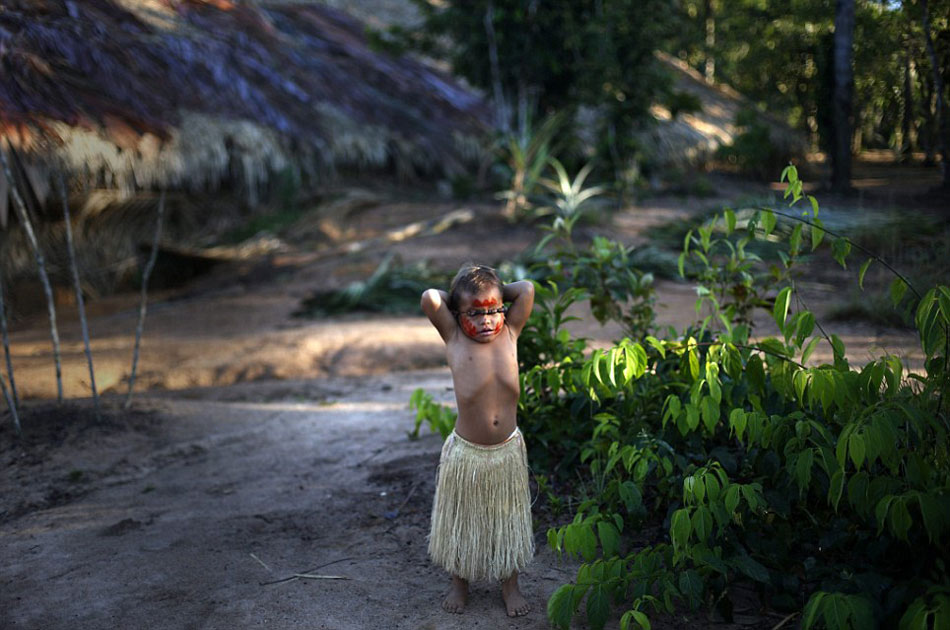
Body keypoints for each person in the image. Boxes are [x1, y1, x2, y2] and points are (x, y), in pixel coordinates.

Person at [420, 263, 536, 617]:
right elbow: (430, 297)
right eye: (475, 313)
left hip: (507, 451)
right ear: (457, 312)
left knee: (509, 519)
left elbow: (527, 289)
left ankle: (510, 586)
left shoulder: (510, 332)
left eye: (493, 310)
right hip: (467, 453)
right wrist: (458, 300)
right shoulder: (455, 337)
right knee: (461, 520)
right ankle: (459, 584)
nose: (486, 320)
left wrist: (494, 291)